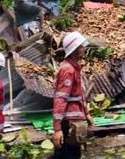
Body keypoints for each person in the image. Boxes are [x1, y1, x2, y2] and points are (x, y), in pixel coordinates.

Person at [52, 31, 93, 159]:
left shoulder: (74, 68)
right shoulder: (68, 70)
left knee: (68, 154)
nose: (84, 48)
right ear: (75, 49)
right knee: (69, 155)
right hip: (68, 123)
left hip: (74, 120)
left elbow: (79, 95)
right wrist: (57, 129)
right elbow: (60, 99)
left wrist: (86, 114)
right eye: (81, 46)